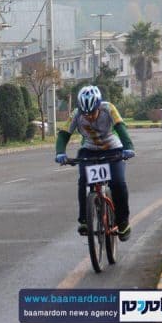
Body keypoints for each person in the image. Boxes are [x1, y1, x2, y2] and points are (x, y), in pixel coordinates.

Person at [55, 85, 135, 241]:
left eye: (92, 112)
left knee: (118, 183)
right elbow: (64, 134)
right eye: (86, 114)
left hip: (113, 149)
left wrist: (128, 148)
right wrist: (60, 152)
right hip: (89, 150)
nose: (90, 117)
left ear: (98, 106)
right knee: (83, 181)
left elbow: (121, 127)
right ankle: (84, 220)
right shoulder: (77, 114)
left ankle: (123, 221)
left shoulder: (109, 109)